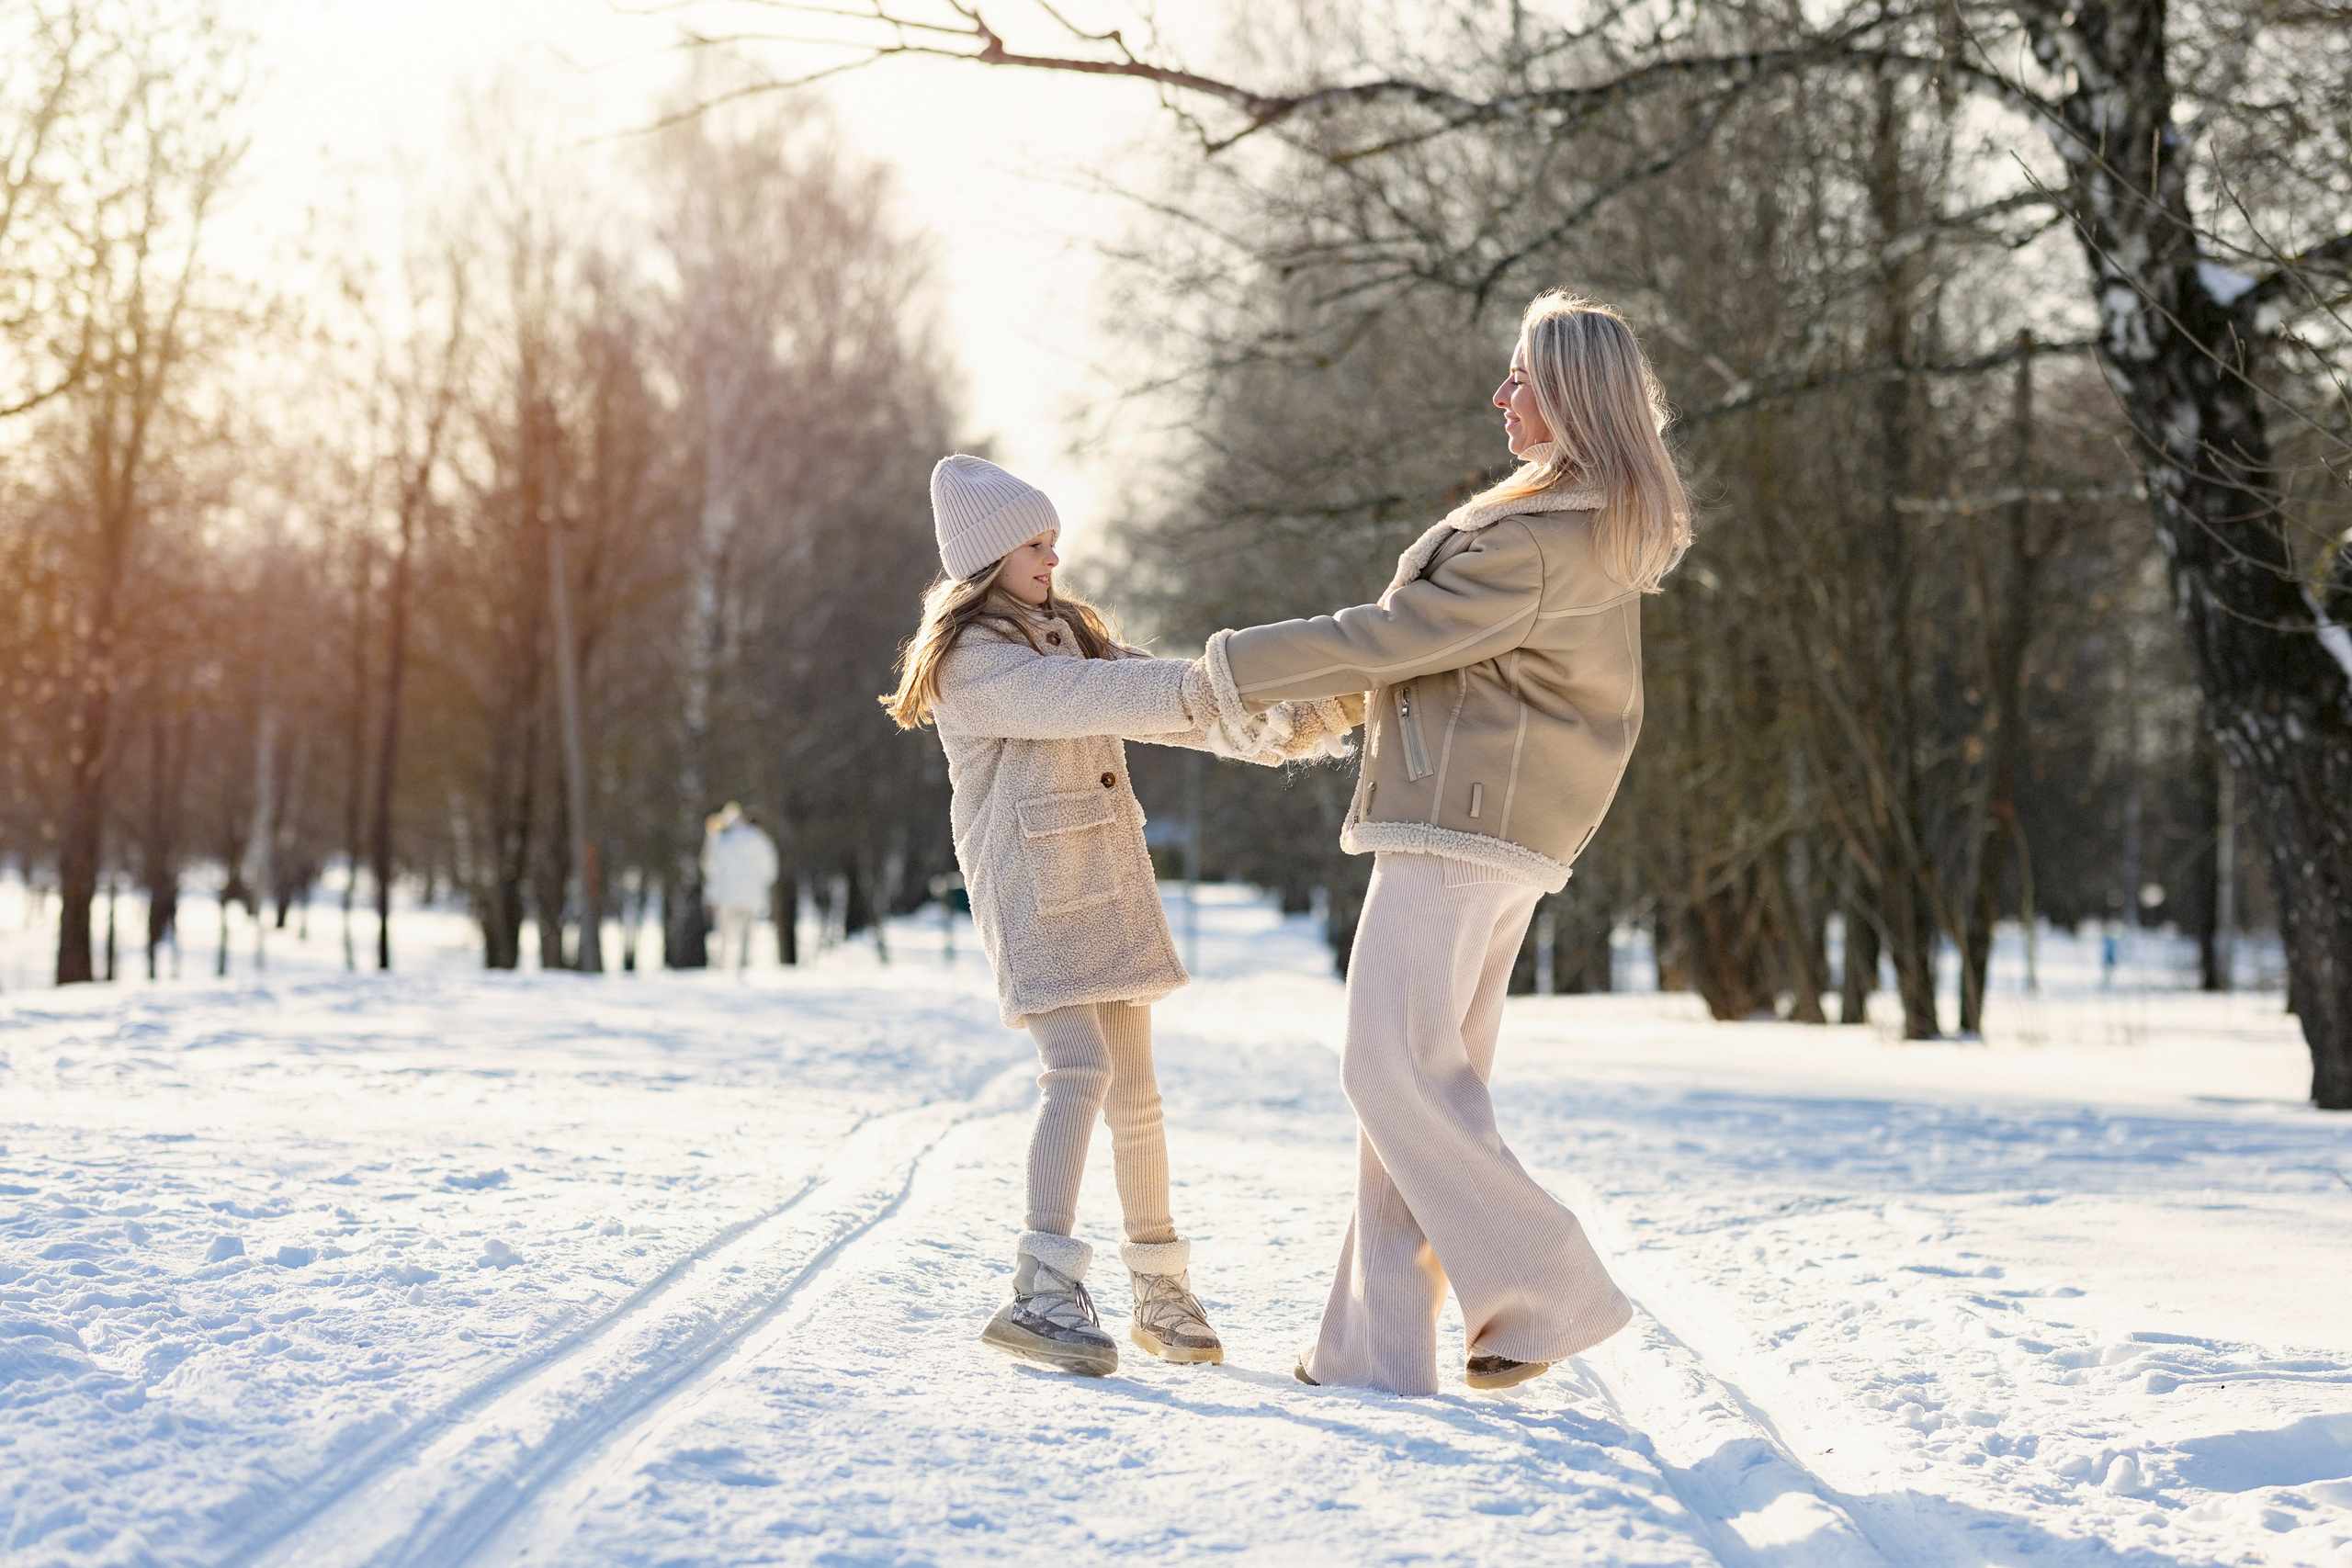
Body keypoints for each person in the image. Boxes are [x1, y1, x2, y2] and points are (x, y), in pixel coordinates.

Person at [1195, 291, 1692, 1396]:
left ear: (1567, 394)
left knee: (1387, 1074)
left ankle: (1548, 1287)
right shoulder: (1579, 525)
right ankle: (1372, 1353)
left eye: (1520, 377)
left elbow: (1392, 637)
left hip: (1458, 833)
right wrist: (1321, 714)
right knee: (1415, 1092)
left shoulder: (1538, 541)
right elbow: (1442, 667)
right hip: (1496, 834)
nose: (1500, 396)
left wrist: (1229, 668)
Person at [883, 454, 1352, 1377]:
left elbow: (1166, 709)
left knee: (1137, 1091)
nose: (1052, 561)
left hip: (1103, 873)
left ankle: (1160, 1289)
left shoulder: (1066, 633)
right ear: (985, 557)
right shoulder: (975, 663)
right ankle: (1042, 1289)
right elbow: (1100, 700)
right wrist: (1222, 676)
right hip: (1029, 888)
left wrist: (1303, 718)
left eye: (1054, 544)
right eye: (1035, 546)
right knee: (1078, 1070)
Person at [700, 803, 779, 974]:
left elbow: (709, 865)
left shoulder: (721, 839)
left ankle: (720, 967)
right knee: (746, 934)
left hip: (725, 894)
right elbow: (769, 869)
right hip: (751, 894)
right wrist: (762, 884)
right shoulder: (760, 839)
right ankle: (741, 966)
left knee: (723, 933)